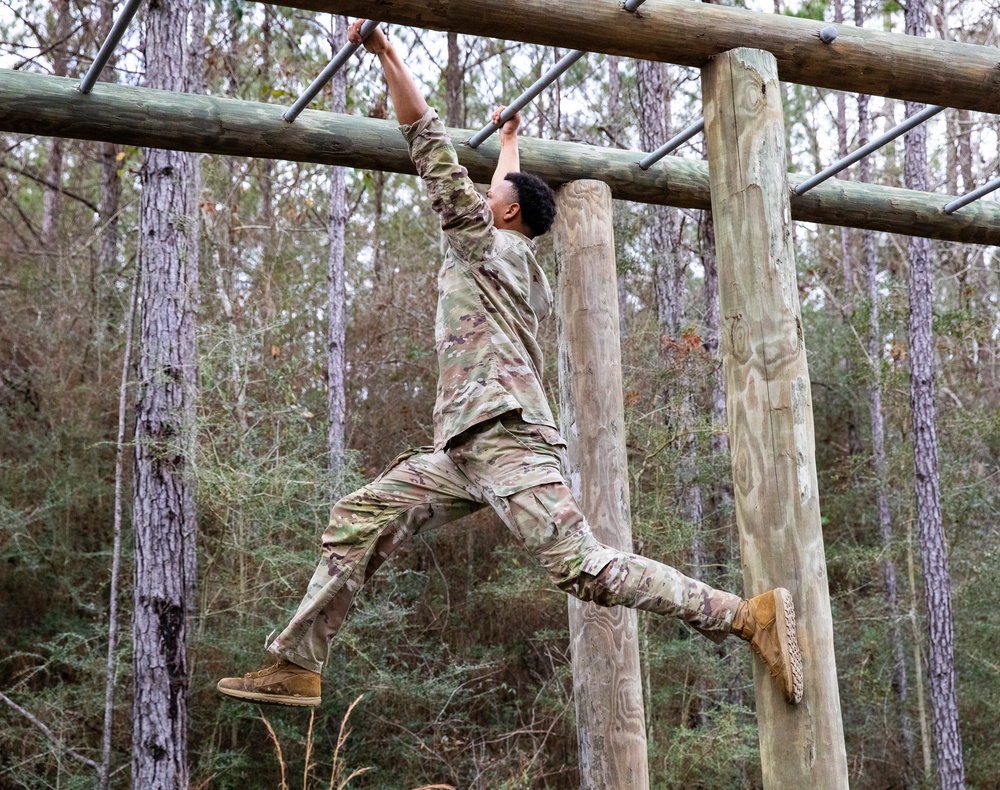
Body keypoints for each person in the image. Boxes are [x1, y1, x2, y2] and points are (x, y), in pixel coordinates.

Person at [218, 20, 803, 708]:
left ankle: (743, 616)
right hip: (465, 450)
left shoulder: (479, 241)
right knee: (360, 515)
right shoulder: (510, 253)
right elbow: (510, 188)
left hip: (507, 436)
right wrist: (511, 142)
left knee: (583, 568)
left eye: (492, 190)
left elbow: (425, 138)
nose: (480, 190)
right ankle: (296, 665)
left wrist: (386, 52)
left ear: (503, 213)